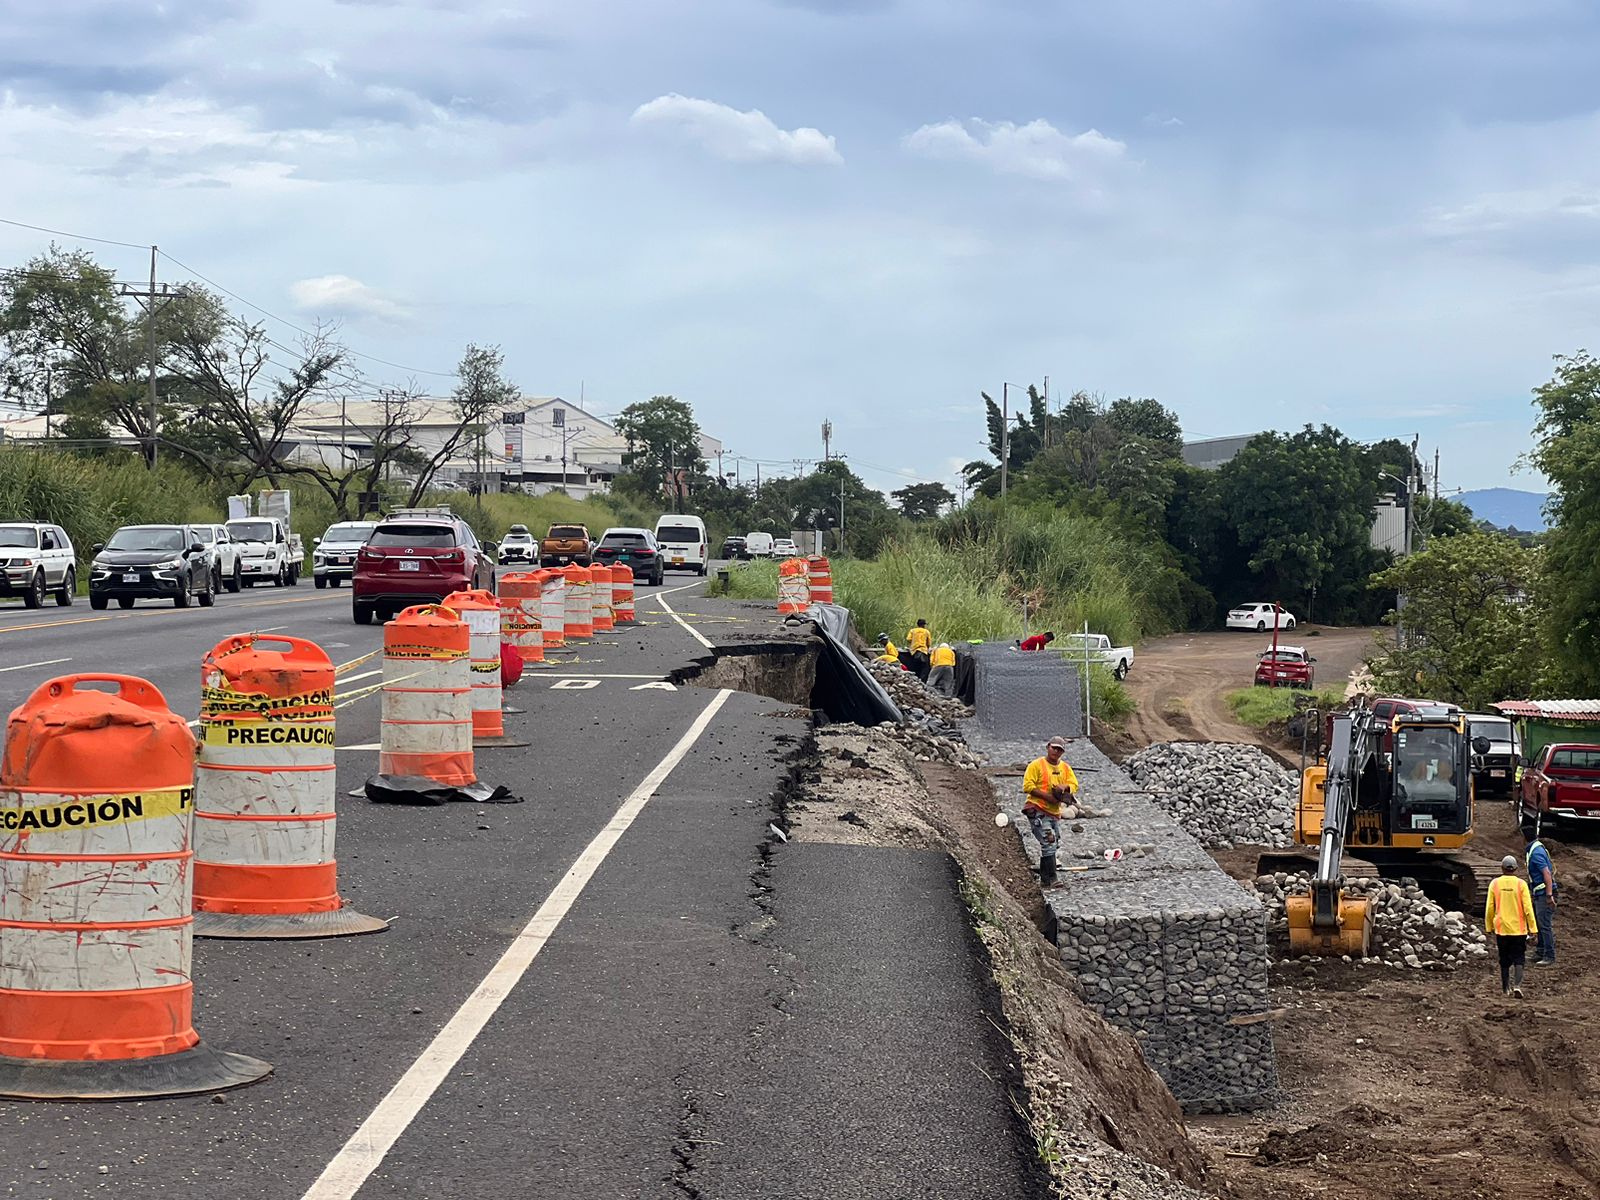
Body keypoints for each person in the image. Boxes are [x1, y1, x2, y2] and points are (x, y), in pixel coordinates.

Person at [1022, 736, 1079, 887]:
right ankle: (1053, 878)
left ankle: (1045, 879)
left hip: (1053, 812)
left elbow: (1074, 784)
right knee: (1049, 841)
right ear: (1048, 747)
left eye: (1059, 749)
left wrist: (1065, 788)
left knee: (1054, 842)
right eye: (1054, 748)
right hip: (1037, 809)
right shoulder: (1036, 765)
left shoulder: (1065, 768)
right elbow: (1028, 786)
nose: (1056, 751)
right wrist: (1048, 797)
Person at [1485, 854, 1538, 998]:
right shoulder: (1521, 884)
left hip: (1501, 929)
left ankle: (1505, 988)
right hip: (1519, 929)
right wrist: (1533, 929)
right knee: (1519, 958)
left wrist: (1489, 926)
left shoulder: (1495, 884)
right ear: (1515, 868)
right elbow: (1528, 908)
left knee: (1504, 958)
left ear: (1502, 868)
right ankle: (1517, 986)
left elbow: (1490, 907)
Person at [1525, 828, 1558, 965]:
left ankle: (1549, 956)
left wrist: (1549, 895)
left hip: (1544, 894)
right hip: (1540, 892)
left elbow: (1547, 874)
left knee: (1544, 925)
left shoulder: (1536, 853)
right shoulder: (1537, 849)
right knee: (1540, 924)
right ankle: (1540, 952)